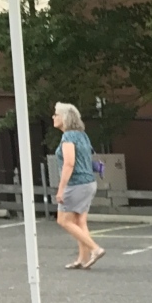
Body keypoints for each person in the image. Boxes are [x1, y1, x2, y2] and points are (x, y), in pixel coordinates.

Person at [51, 103, 104, 269]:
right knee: (80, 222)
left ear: (65, 117)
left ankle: (95, 249)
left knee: (63, 220)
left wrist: (61, 189)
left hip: (75, 184)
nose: (53, 117)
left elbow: (69, 164)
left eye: (56, 114)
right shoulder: (82, 135)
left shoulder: (68, 137)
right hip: (89, 183)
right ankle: (82, 258)